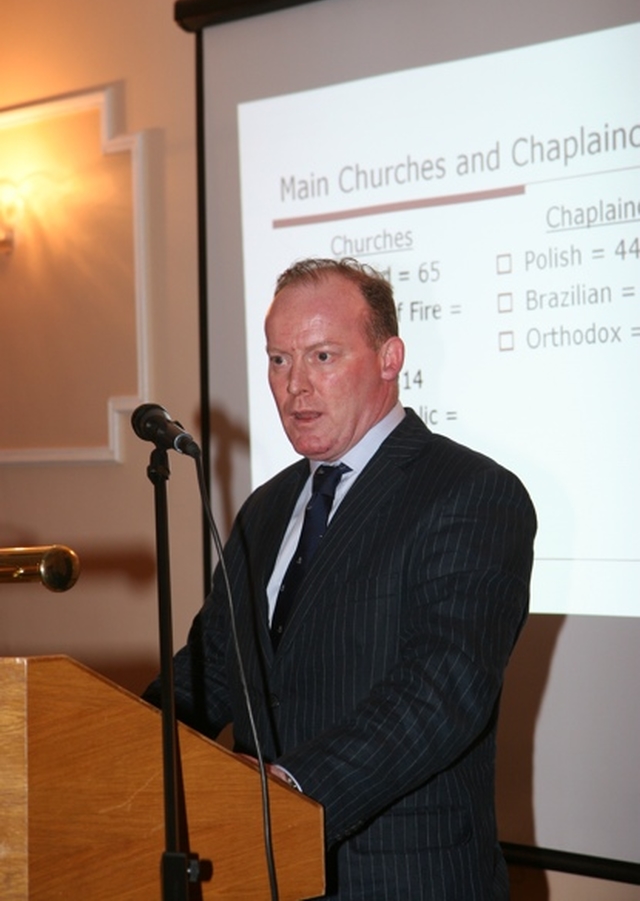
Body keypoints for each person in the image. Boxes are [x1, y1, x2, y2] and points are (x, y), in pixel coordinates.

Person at [144, 257, 536, 900]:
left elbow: (443, 690)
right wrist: (107, 748)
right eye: (278, 360)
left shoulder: (472, 493)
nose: (295, 386)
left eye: (322, 357)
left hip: (403, 880)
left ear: (389, 358)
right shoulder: (265, 510)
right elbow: (215, 670)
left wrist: (290, 790)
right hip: (262, 878)